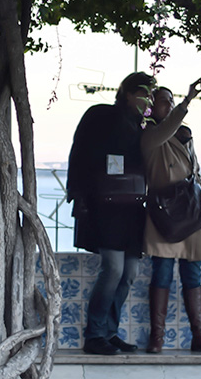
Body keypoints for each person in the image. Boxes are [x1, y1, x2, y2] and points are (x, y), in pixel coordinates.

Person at [66, 71, 156, 355]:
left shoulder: (143, 126)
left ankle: (109, 331)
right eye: (142, 92)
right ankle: (94, 335)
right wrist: (78, 196)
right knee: (113, 268)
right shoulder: (100, 115)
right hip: (103, 205)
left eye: (151, 94)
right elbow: (78, 153)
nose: (147, 99)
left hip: (131, 207)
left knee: (129, 271)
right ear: (127, 93)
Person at [142, 81, 201, 354]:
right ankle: (157, 338)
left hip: (190, 208)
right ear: (151, 107)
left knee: (193, 273)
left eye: (171, 100)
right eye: (164, 101)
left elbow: (195, 174)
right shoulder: (149, 135)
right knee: (162, 272)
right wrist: (188, 100)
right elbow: (165, 130)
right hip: (164, 211)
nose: (170, 105)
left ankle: (199, 336)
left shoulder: (184, 135)